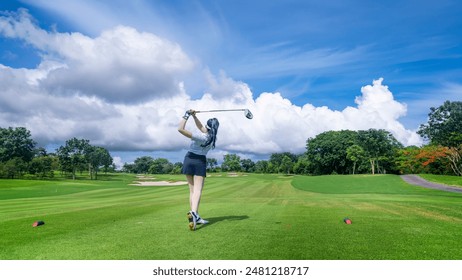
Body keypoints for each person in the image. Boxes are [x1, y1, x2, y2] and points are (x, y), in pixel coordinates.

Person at [178, 109, 219, 231]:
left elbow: (180, 129)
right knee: (197, 190)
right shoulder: (212, 139)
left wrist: (186, 115)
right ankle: (195, 213)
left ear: (208, 127)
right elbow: (201, 126)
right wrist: (194, 116)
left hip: (189, 159)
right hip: (200, 161)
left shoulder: (199, 137)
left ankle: (195, 214)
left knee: (192, 191)